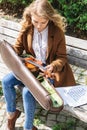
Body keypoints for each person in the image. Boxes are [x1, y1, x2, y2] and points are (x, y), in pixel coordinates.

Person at [2, 0, 76, 130]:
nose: (39, 26)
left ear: (49, 18)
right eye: (36, 21)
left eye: (43, 22)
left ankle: (28, 127)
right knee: (6, 81)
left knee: (27, 92)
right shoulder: (27, 27)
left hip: (49, 73)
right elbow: (17, 49)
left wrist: (53, 66)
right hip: (30, 69)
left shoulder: (57, 32)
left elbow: (62, 58)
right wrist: (13, 54)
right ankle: (12, 114)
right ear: (30, 17)